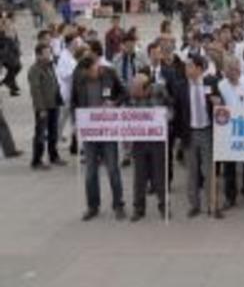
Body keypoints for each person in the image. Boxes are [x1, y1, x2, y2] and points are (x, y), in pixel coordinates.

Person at [71, 55, 128, 221]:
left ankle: (118, 204)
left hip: (108, 129)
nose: (90, 75)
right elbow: (73, 102)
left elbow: (124, 93)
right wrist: (76, 122)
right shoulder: (79, 79)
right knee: (90, 172)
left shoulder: (110, 74)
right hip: (90, 131)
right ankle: (92, 206)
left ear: (97, 65)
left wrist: (114, 103)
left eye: (92, 71)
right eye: (87, 73)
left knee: (113, 169)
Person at [175, 54, 221, 218]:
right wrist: (179, 137)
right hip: (190, 133)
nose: (186, 69)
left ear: (199, 68)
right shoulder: (180, 87)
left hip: (207, 131)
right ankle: (194, 204)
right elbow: (178, 113)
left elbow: (221, 106)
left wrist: (218, 103)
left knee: (209, 171)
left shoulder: (211, 83)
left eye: (190, 66)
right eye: (186, 66)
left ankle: (213, 205)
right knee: (192, 172)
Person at [217, 55, 244, 210]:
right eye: (228, 69)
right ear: (224, 70)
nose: (231, 71)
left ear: (239, 68)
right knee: (229, 167)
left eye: (234, 68)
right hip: (227, 133)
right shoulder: (221, 85)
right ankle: (230, 197)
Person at [127, 73, 169, 222]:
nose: (134, 92)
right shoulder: (132, 97)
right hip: (139, 142)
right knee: (139, 177)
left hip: (157, 141)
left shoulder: (160, 91)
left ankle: (164, 206)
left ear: (146, 88)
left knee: (160, 176)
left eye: (137, 90)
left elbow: (172, 108)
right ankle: (139, 208)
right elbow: (124, 115)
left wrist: (166, 118)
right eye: (133, 89)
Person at [27, 44, 64, 169]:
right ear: (38, 55)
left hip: (54, 104)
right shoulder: (34, 70)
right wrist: (41, 108)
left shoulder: (50, 66)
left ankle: (53, 156)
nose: (49, 55)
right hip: (43, 107)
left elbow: (55, 83)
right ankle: (36, 160)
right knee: (40, 134)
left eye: (49, 52)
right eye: (46, 53)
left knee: (53, 133)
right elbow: (35, 91)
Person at [0, 22, 21, 96]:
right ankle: (11, 87)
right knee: (13, 68)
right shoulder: (4, 36)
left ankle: (8, 83)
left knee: (15, 68)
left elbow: (15, 42)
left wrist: (17, 51)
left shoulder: (9, 31)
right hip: (5, 58)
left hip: (10, 56)